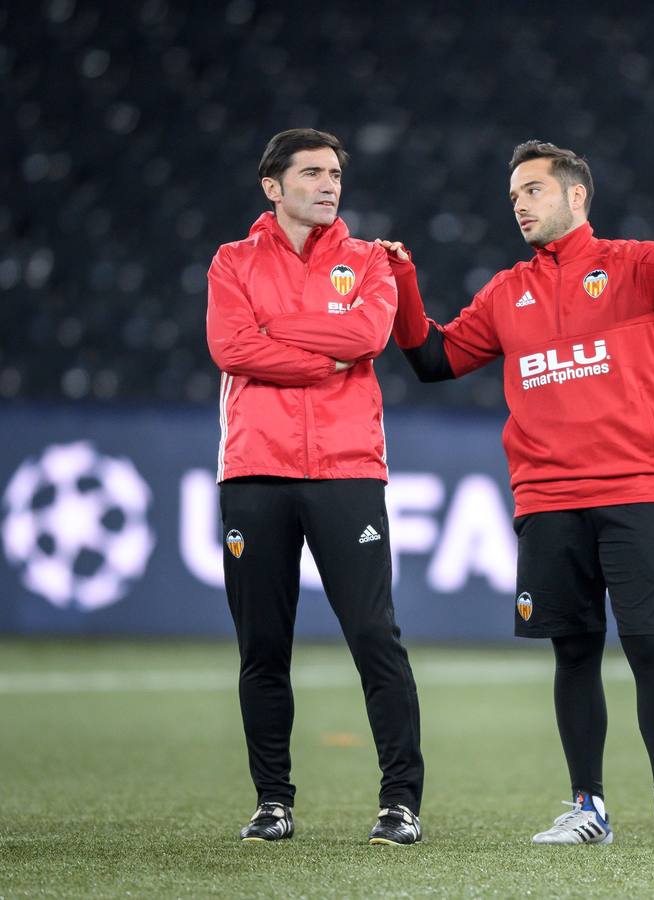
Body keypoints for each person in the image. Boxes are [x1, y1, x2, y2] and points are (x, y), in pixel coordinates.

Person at [379, 140, 654, 849]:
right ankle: (588, 807)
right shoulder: (507, 292)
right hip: (545, 499)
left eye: (532, 191)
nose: (520, 206)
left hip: (634, 489)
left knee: (651, 650)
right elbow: (434, 359)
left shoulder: (629, 268)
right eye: (513, 197)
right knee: (573, 654)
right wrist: (404, 282)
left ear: (575, 197)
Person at [205, 128, 424, 846]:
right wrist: (316, 355)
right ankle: (274, 802)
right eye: (312, 173)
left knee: (373, 635)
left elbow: (367, 338)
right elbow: (230, 347)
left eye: (334, 173)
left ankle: (400, 802)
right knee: (263, 646)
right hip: (255, 471)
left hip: (348, 470)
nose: (329, 185)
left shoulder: (370, 260)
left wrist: (279, 335)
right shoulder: (232, 260)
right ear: (273, 187)